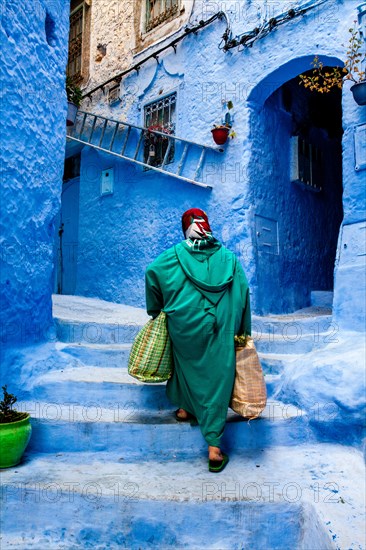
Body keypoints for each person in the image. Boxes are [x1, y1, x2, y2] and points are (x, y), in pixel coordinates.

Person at [145, 208, 251, 472]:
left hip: (185, 324)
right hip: (221, 326)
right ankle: (214, 449)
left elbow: (151, 273)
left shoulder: (171, 257)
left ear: (185, 229)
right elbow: (243, 293)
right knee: (218, 379)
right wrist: (242, 330)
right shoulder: (229, 259)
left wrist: (156, 310)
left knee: (185, 364)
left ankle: (185, 410)